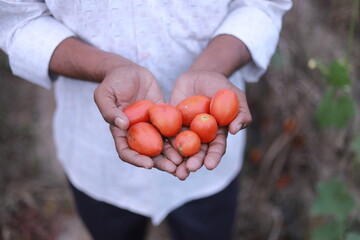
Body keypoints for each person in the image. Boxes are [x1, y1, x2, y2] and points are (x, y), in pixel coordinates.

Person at [0, 1, 292, 239]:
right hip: (95, 158)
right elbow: (17, 20)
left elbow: (262, 4)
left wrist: (213, 67)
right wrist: (106, 68)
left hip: (207, 174)